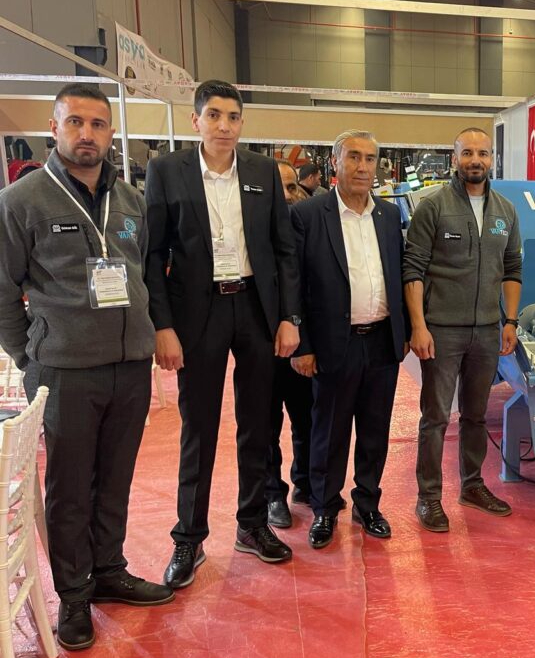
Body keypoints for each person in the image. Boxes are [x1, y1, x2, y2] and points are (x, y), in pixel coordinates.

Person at [0, 83, 174, 651]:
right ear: (54, 128)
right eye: (74, 122)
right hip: (65, 370)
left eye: (98, 124)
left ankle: (108, 571)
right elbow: (3, 290)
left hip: (129, 365)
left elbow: (138, 273)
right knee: (71, 487)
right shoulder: (22, 200)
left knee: (115, 477)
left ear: (111, 133)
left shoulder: (129, 200)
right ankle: (74, 594)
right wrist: (32, 354)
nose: (87, 134)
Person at [145, 79, 302, 589]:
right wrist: (163, 326)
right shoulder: (167, 171)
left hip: (255, 308)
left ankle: (252, 523)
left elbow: (283, 249)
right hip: (199, 312)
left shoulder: (261, 170)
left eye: (233, 117)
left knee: (258, 422)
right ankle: (188, 537)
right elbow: (153, 255)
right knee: (199, 426)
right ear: (196, 121)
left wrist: (289, 317)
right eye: (213, 115)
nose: (224, 126)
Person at [290, 130, 408, 548]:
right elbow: (295, 284)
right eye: (354, 157)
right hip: (332, 342)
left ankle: (368, 503)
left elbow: (398, 274)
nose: (362, 166)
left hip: (381, 341)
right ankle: (324, 508)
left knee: (375, 429)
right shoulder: (309, 214)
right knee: (329, 430)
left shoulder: (389, 215)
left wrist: (404, 331)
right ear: (335, 163)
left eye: (370, 159)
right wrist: (303, 345)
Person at [403, 127, 522, 533]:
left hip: (487, 331)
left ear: (492, 159)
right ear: (454, 159)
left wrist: (510, 321)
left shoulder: (505, 211)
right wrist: (419, 326)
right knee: (435, 417)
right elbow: (413, 269)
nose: (475, 160)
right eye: (467, 153)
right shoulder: (433, 207)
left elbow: (512, 268)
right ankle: (429, 497)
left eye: (482, 153)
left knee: (475, 416)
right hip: (442, 330)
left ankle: (472, 486)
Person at [264, 160, 314, 529]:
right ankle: (272, 494)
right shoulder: (249, 229)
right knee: (265, 424)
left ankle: (306, 482)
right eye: (276, 186)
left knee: (306, 417)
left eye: (291, 186)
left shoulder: (306, 225)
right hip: (261, 344)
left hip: (300, 340)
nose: (285, 194)